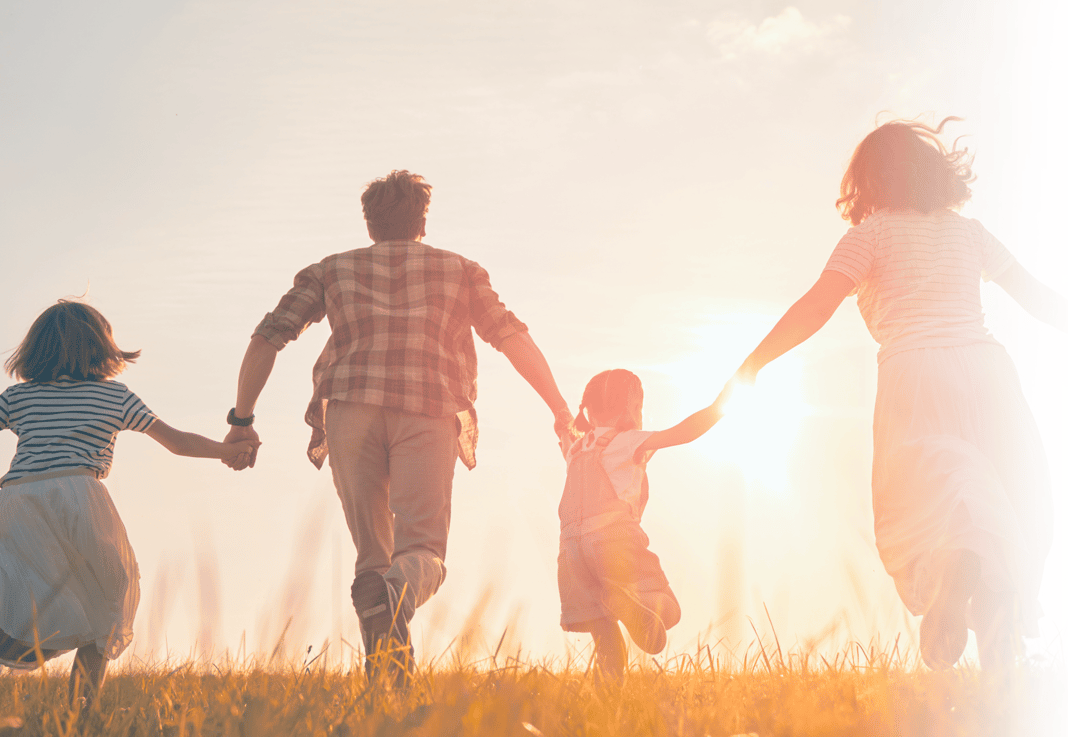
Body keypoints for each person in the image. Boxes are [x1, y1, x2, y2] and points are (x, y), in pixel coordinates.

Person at [733, 118, 1068, 671]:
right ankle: (998, 652)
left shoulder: (869, 236)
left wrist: (752, 364)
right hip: (989, 372)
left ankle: (952, 569)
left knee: (929, 498)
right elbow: (1036, 298)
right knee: (1006, 499)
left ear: (867, 181)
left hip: (915, 374)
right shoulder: (969, 233)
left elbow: (816, 306)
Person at [227, 169, 576, 679]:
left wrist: (242, 420)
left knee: (374, 551)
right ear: (423, 221)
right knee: (423, 550)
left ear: (369, 223)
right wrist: (559, 407)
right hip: (427, 406)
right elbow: (510, 336)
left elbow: (267, 338)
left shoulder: (330, 270)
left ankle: (389, 678)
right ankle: (392, 609)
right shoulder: (461, 270)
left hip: (350, 409)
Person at [0, 301, 257, 706]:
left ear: (35, 349)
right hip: (79, 495)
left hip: (16, 497)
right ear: (102, 348)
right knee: (109, 599)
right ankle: (81, 712)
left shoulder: (17, 396)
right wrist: (228, 452)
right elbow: (177, 442)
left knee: (20, 589)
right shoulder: (114, 396)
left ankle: (19, 653)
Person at [558, 368, 724, 678]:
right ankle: (629, 602)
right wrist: (722, 404)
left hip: (571, 553)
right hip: (612, 538)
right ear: (633, 409)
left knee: (603, 635)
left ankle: (607, 701)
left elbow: (563, 433)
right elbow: (686, 432)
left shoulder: (577, 449)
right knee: (669, 610)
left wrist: (561, 417)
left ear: (590, 412)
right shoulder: (628, 441)